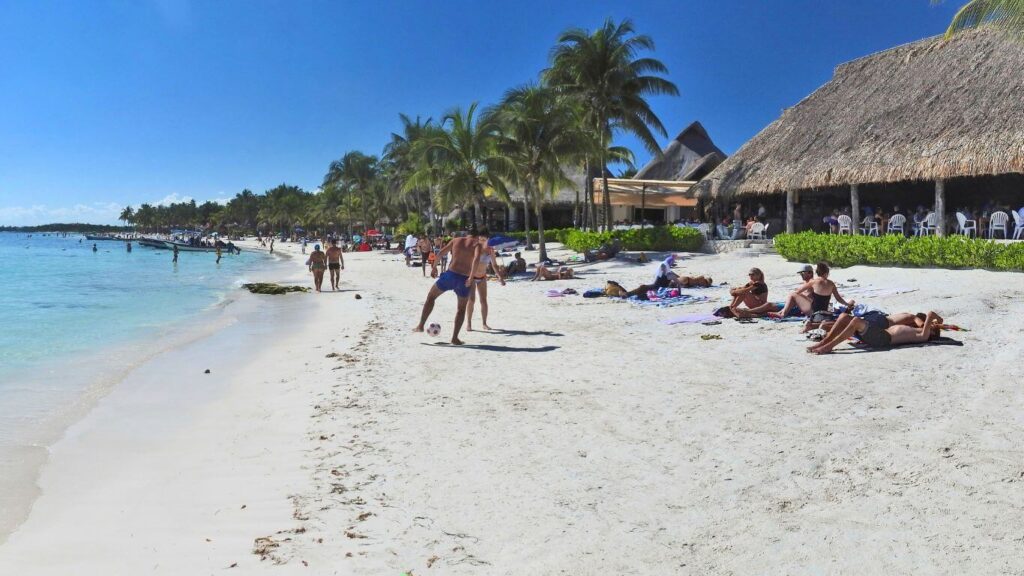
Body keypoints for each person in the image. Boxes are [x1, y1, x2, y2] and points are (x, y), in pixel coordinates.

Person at [413, 227, 485, 345]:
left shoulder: (456, 240)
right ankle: (455, 338)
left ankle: (420, 326)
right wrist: (471, 277)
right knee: (461, 309)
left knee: (431, 297)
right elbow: (476, 259)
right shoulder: (477, 245)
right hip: (464, 279)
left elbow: (441, 252)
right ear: (477, 236)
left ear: (467, 234)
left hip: (450, 276)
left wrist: (434, 267)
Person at [809, 311, 944, 355]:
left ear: (932, 332)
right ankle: (824, 342)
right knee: (844, 316)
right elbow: (926, 318)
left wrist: (938, 320)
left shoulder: (923, 336)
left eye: (932, 326)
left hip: (883, 339)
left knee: (856, 321)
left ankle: (829, 346)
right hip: (879, 334)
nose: (930, 325)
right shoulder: (918, 331)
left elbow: (930, 314)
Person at [771, 261, 849, 319]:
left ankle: (782, 313)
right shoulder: (831, 284)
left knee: (792, 294)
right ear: (827, 273)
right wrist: (847, 304)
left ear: (817, 272)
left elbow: (798, 292)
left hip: (813, 311)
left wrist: (803, 298)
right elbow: (838, 298)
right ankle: (782, 312)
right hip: (824, 311)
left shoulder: (813, 282)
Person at [466, 231, 506, 331]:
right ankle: (469, 324)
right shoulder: (475, 249)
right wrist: (469, 277)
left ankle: (484, 323)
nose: (482, 242)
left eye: (484, 240)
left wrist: (500, 277)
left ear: (488, 240)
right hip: (472, 277)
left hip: (482, 277)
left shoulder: (490, 250)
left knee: (483, 300)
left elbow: (494, 265)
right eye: (480, 240)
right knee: (471, 300)